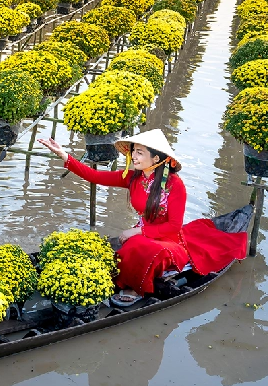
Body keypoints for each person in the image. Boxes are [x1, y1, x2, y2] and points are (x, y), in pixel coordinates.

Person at [39, 129, 247, 306]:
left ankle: (137, 289)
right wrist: (64, 155)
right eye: (133, 151)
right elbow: (95, 176)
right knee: (132, 246)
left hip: (169, 242)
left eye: (139, 152)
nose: (134, 156)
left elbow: (174, 227)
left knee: (141, 247)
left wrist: (138, 231)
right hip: (141, 236)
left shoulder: (175, 185)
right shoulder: (133, 178)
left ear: (156, 159)